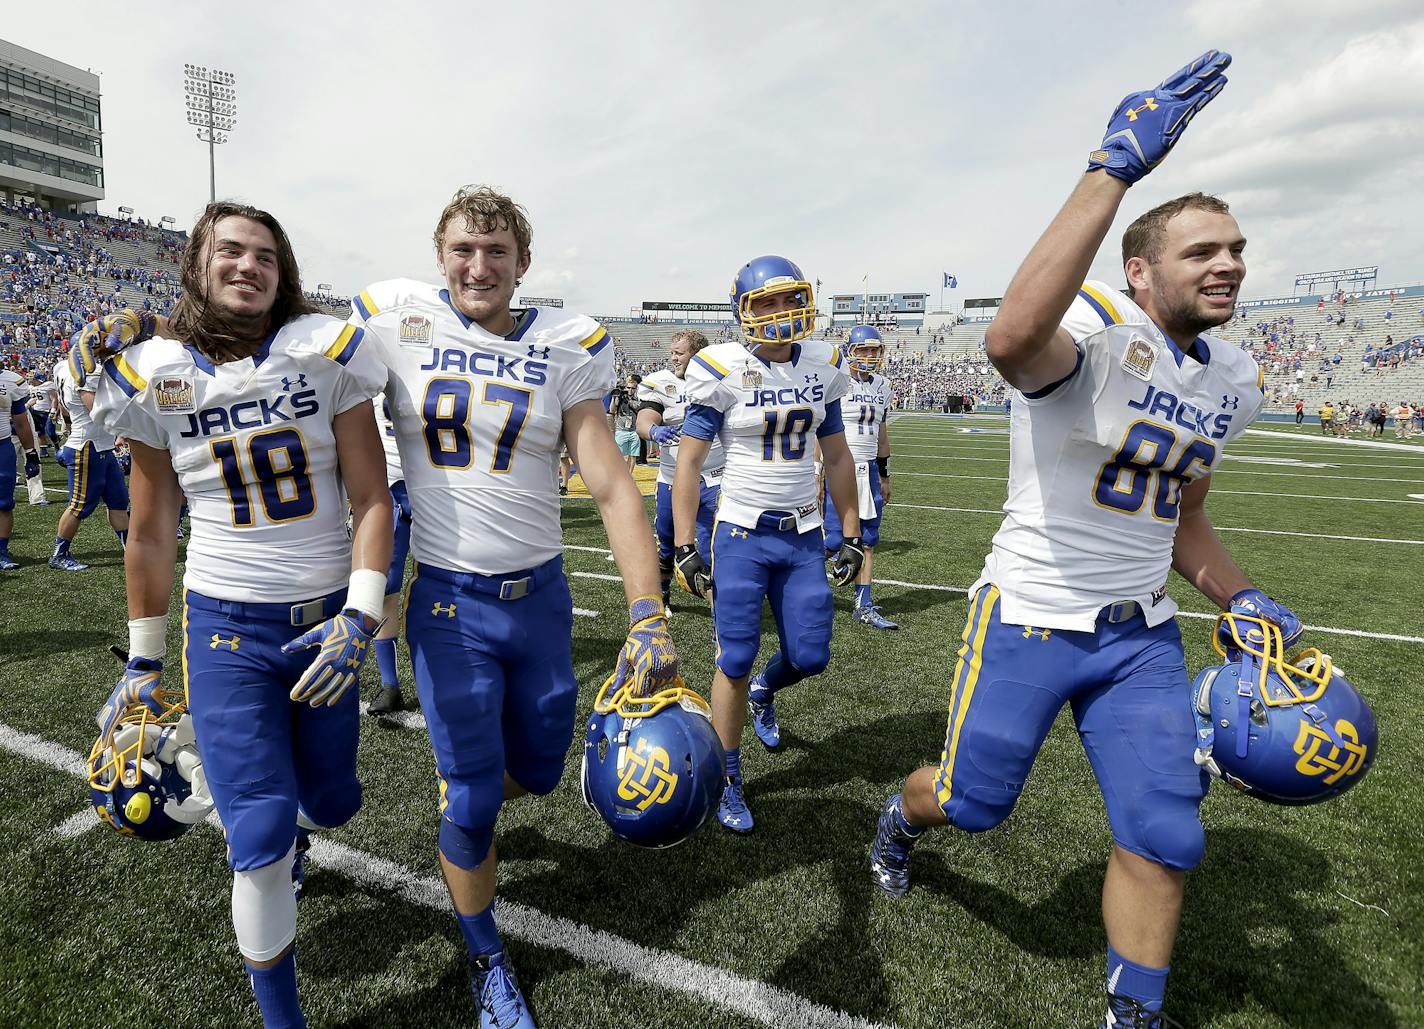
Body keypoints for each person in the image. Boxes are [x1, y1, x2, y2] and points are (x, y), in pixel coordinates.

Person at [869, 52, 1306, 1028]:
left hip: (1138, 633)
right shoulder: (1095, 325)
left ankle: (1131, 1015)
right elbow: (1009, 342)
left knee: (1164, 832)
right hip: (1028, 614)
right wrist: (1109, 169)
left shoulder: (1231, 379)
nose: (1227, 262)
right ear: (1138, 269)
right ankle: (899, 819)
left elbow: (1183, 517)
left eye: (1234, 246)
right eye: (1200, 250)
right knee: (972, 805)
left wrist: (1237, 596)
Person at [347, 185, 677, 1028]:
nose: (478, 265)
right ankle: (486, 952)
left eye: (496, 252)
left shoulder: (566, 345)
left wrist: (648, 611)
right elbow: (285, 360)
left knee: (535, 770)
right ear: (440, 256)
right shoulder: (394, 324)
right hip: (451, 603)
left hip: (542, 602)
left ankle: (476, 811)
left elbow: (609, 483)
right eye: (463, 249)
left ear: (523, 263)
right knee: (471, 796)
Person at [88, 202, 393, 1029]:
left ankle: (301, 829)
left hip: (326, 623)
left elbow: (372, 496)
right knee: (255, 838)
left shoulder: (322, 353)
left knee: (330, 802)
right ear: (196, 262)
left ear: (282, 271)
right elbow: (151, 530)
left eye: (265, 254)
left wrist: (361, 617)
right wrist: (144, 658)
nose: (248, 265)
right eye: (230, 250)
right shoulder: (155, 371)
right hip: (224, 624)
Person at [672, 255, 864, 834]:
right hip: (741, 535)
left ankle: (766, 689)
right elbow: (689, 463)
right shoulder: (721, 368)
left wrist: (849, 532)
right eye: (766, 302)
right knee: (732, 659)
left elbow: (836, 455)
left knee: (810, 657)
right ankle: (730, 775)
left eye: (789, 299)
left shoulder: (824, 364)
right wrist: (685, 544)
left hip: (804, 535)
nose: (782, 313)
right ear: (743, 311)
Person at [635, 328, 724, 615]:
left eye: (679, 353)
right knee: (667, 541)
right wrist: (653, 430)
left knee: (714, 543)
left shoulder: (720, 380)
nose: (673, 358)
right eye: (672, 352)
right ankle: (662, 595)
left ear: (697, 354)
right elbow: (644, 419)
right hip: (673, 477)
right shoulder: (661, 383)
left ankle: (718, 608)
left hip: (715, 476)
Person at [821, 325, 897, 629]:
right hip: (840, 469)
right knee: (833, 540)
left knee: (868, 540)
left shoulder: (883, 385)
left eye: (874, 350)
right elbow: (820, 432)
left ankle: (863, 604)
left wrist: (885, 475)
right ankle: (801, 589)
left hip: (869, 471)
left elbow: (882, 435)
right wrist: (817, 473)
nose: (869, 355)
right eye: (863, 349)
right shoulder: (836, 382)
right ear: (850, 350)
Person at [48, 354, 131, 571]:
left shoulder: (63, 367)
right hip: (87, 445)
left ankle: (131, 549)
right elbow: (98, 412)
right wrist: (126, 427)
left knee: (118, 501)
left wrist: (68, 423)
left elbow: (65, 407)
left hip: (101, 445)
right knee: (79, 505)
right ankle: (59, 554)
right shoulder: (86, 372)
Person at [368, 392, 412, 714]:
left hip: (444, 487)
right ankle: (390, 684)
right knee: (386, 589)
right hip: (389, 488)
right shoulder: (362, 359)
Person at [0, 361, 41, 569]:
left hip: (3, 446)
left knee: (4, 503)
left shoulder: (11, 380)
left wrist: (30, 452)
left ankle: (1, 551)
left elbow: (21, 421)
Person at [610, 373, 642, 472]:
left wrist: (629, 400)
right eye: (628, 388)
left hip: (634, 430)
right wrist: (615, 397)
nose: (630, 390)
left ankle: (629, 475)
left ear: (636, 389)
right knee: (620, 456)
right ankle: (621, 474)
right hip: (621, 430)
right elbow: (612, 410)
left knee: (633, 455)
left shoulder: (638, 398)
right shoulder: (620, 398)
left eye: (633, 388)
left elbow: (638, 407)